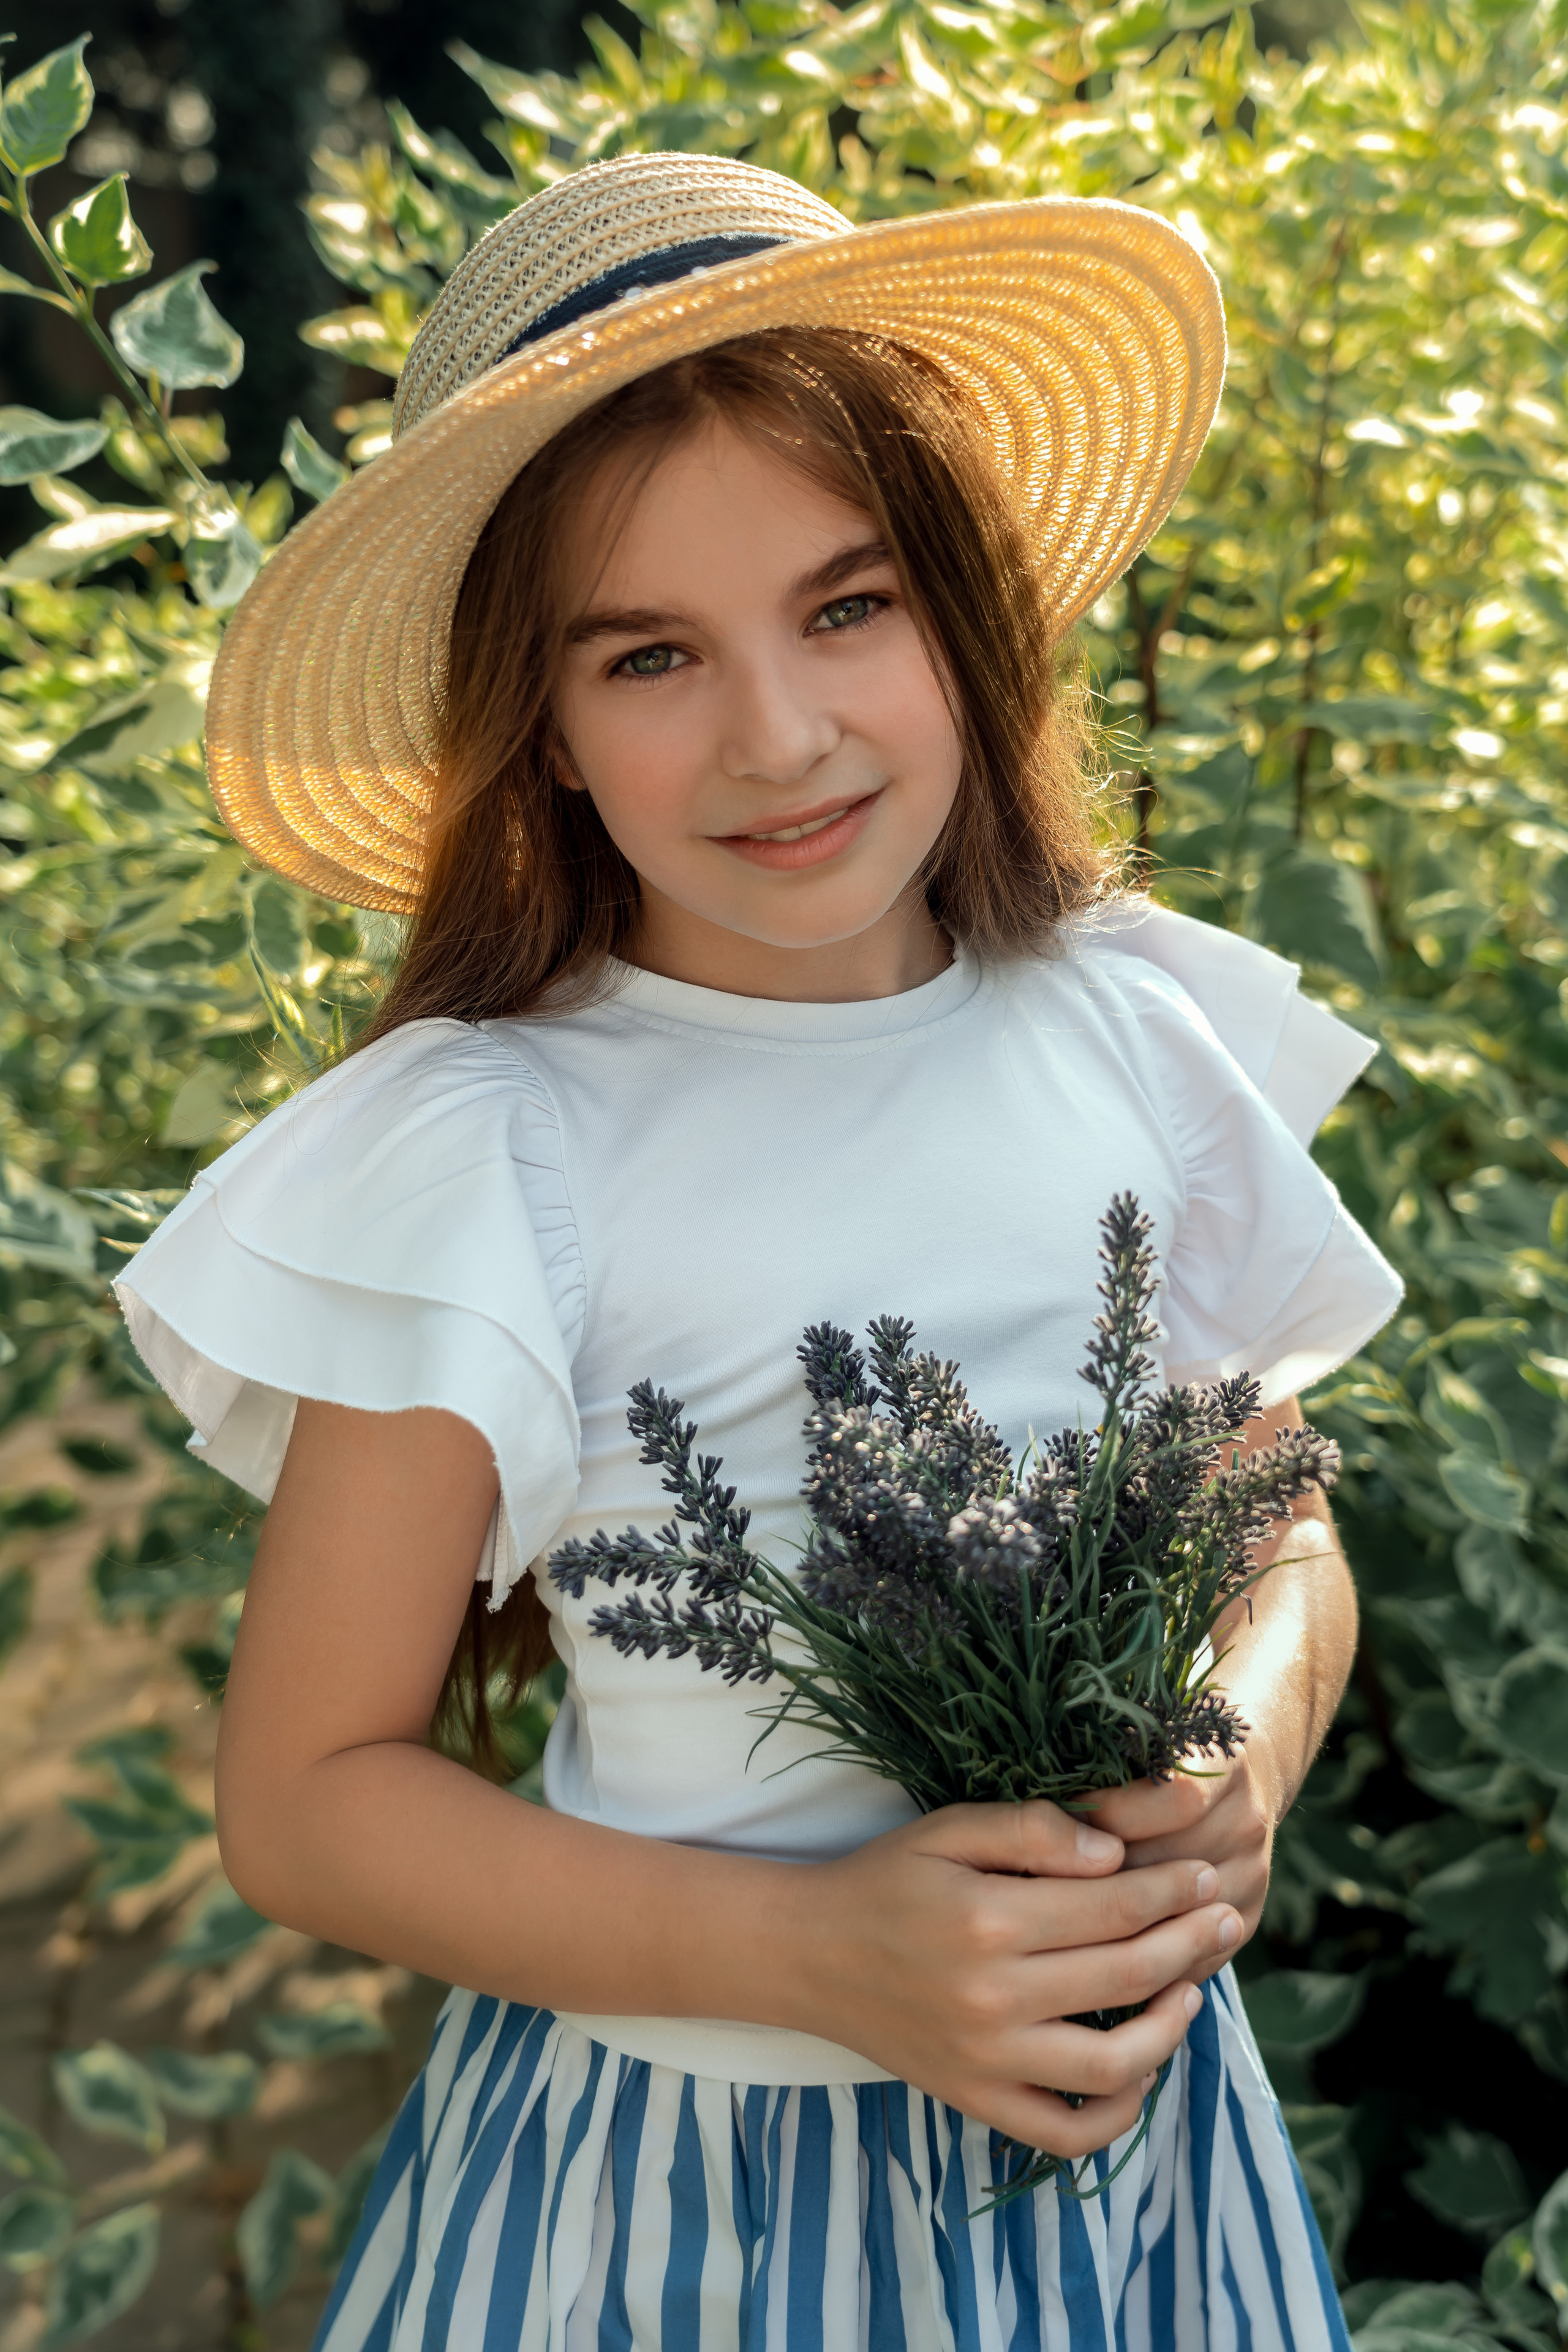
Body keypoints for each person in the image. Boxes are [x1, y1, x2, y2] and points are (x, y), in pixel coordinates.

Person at [116, 153, 1403, 2350]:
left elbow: (1277, 1516)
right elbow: (309, 1805)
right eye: (649, 655)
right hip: (685, 2209)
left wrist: (1240, 1762)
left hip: (1139, 2165)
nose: (779, 735)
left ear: (960, 609)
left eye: (847, 607)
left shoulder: (1122, 1031)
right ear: (540, 732)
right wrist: (816, 1957)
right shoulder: (499, 1146)